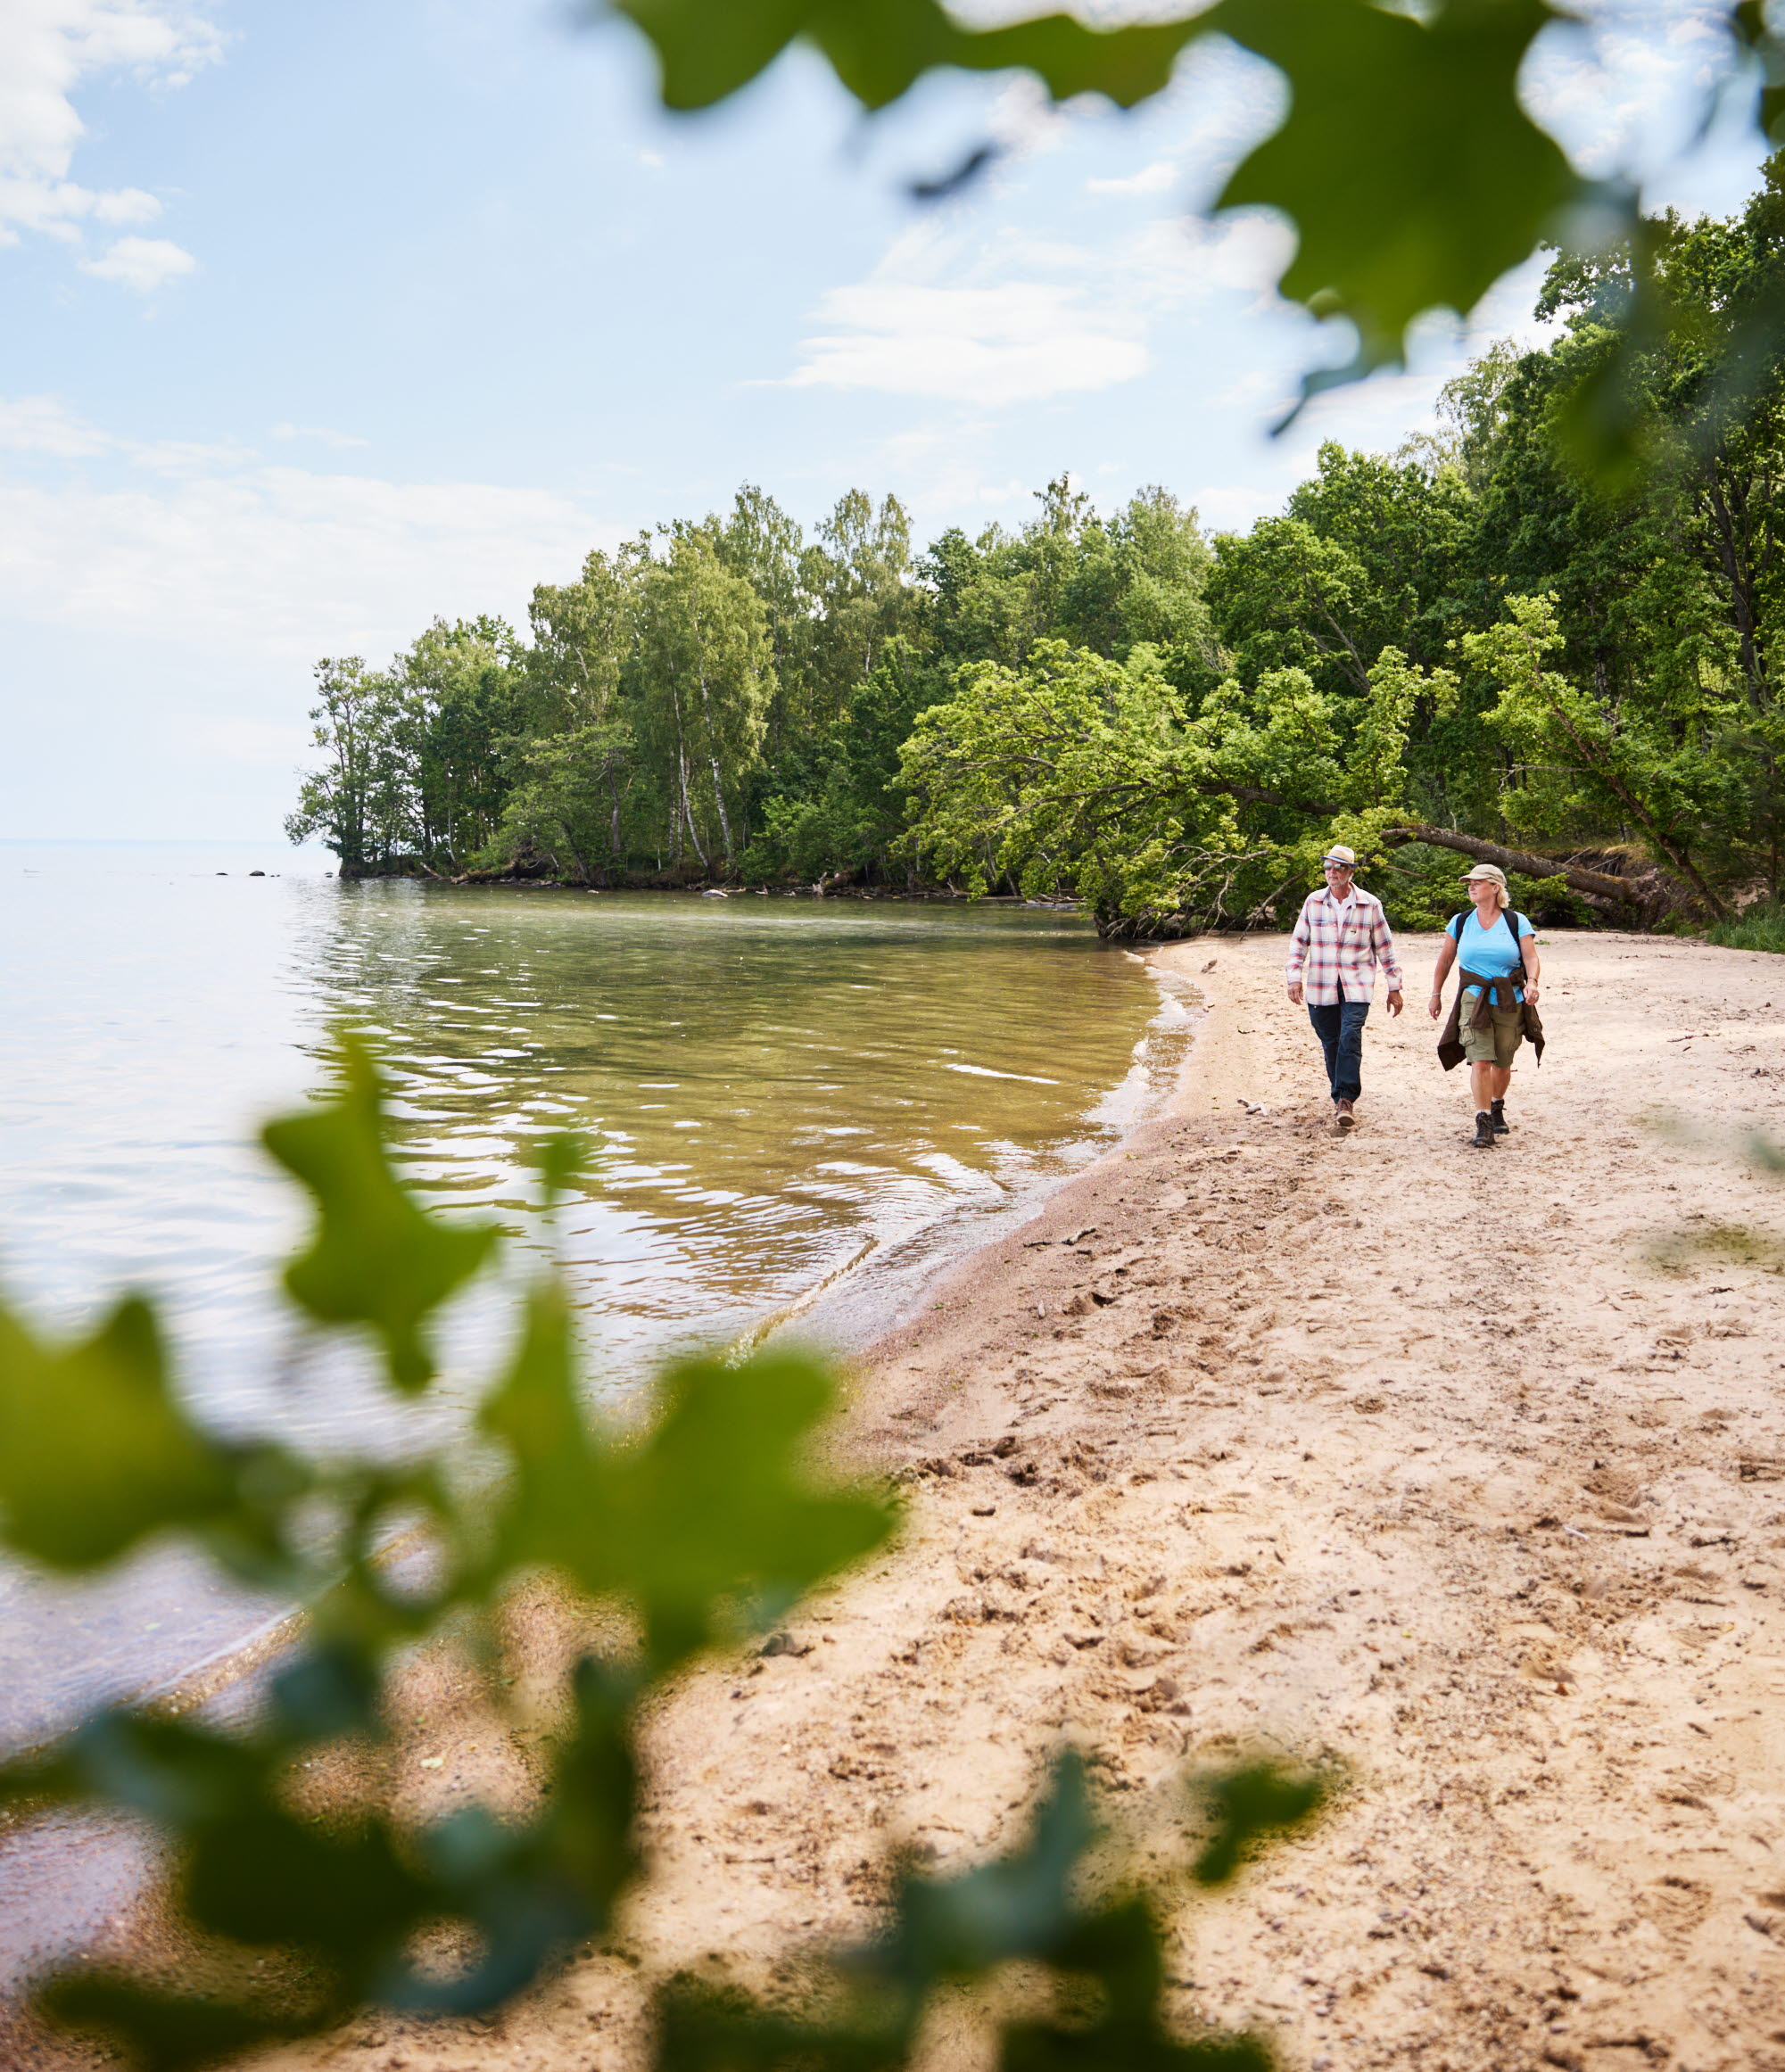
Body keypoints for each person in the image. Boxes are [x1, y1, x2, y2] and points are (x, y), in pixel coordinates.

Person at [1285, 846, 1404, 1131]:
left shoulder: (1369, 905)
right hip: (1320, 985)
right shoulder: (1314, 902)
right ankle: (1340, 1095)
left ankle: (1345, 1098)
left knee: (1350, 1036)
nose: (1332, 872)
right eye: (1328, 866)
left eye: (1339, 867)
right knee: (1331, 1042)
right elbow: (1299, 943)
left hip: (1357, 985)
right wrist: (1293, 978)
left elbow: (1384, 947)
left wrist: (1394, 986)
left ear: (1350, 872)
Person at [1429, 863, 1544, 1150]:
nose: (1471, 886)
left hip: (1510, 997)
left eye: (1477, 882)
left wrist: (1532, 982)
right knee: (1480, 1060)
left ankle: (1496, 1105)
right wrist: (1435, 993)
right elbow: (1445, 960)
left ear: (1495, 887)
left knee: (1503, 1062)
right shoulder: (1460, 921)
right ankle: (1483, 1121)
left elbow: (1530, 957)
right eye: (1469, 882)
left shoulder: (1516, 921)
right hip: (1473, 996)